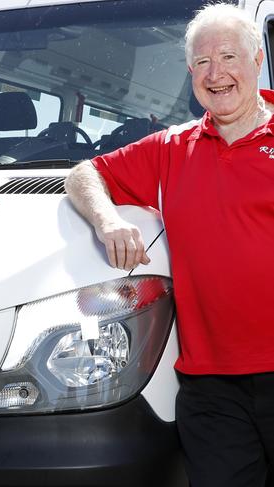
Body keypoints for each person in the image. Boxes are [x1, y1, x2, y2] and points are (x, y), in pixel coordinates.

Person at [66, 3, 274, 487]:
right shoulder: (171, 148)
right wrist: (107, 221)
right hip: (211, 390)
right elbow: (84, 174)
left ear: (257, 60)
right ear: (191, 73)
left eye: (228, 57)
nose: (216, 74)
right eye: (202, 63)